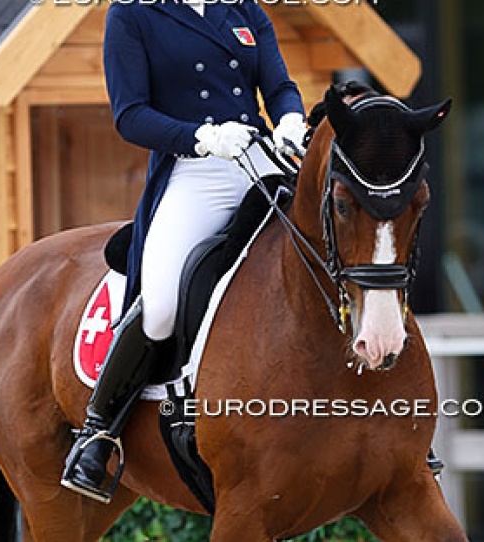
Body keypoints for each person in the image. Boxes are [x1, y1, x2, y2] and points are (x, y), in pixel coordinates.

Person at [60, 0, 307, 502]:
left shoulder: (243, 10)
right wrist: (202, 137)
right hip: (197, 171)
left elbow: (278, 86)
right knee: (162, 307)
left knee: (335, 251)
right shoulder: (132, 14)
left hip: (262, 161)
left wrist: (289, 120)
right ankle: (98, 428)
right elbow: (131, 115)